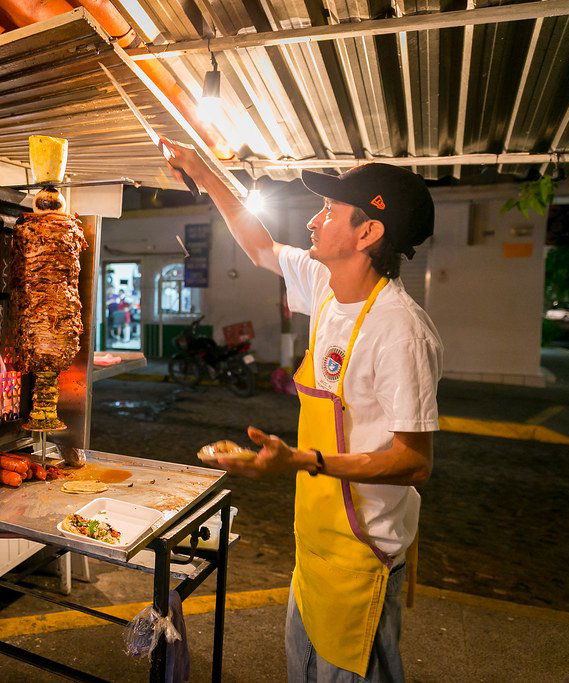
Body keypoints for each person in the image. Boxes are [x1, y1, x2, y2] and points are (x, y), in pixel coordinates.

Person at [161, 140, 442, 682]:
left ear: (368, 232)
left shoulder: (400, 330)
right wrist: (201, 169)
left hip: (362, 559)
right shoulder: (328, 288)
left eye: (329, 211)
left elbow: (415, 462)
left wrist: (303, 460)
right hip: (312, 547)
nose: (313, 221)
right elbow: (261, 248)